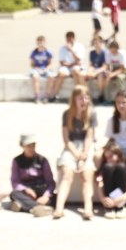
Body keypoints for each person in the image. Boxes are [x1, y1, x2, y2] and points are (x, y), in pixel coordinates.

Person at [55, 87, 97, 220]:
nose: (84, 101)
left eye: (86, 98)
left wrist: (83, 155)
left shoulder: (91, 114)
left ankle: (88, 208)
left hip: (87, 146)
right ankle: (59, 208)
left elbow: (89, 137)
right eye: (81, 98)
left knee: (87, 175)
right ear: (74, 99)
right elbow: (66, 139)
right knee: (67, 174)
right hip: (71, 146)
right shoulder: (67, 114)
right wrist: (76, 154)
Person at [9, 134, 56, 216]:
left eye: (33, 145)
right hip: (27, 192)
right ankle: (37, 207)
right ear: (22, 146)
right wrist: (26, 189)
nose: (31, 148)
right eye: (28, 146)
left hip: (41, 189)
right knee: (14, 194)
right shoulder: (17, 161)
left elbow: (50, 182)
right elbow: (15, 182)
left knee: (56, 197)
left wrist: (46, 196)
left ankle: (24, 206)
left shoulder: (42, 160)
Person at [95, 142, 126, 218]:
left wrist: (123, 198)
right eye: (106, 158)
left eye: (111, 156)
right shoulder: (105, 169)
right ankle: (109, 208)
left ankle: (122, 207)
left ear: (118, 155)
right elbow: (100, 185)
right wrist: (103, 200)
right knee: (108, 167)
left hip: (124, 198)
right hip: (110, 198)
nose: (109, 160)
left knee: (121, 167)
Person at [55, 31, 90, 100]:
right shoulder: (62, 48)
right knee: (61, 74)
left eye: (70, 39)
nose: (69, 41)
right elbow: (62, 62)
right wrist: (72, 64)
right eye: (67, 39)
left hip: (76, 67)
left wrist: (71, 50)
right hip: (67, 67)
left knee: (76, 71)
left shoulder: (79, 46)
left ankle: (81, 93)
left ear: (73, 38)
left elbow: (79, 59)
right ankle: (56, 95)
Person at [29, 35, 59, 103]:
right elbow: (32, 64)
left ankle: (47, 96)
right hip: (37, 69)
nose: (41, 44)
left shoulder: (48, 52)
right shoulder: (34, 52)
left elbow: (50, 63)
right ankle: (37, 96)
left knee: (51, 77)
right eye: (39, 42)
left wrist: (46, 69)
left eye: (42, 42)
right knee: (35, 76)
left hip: (45, 69)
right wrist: (36, 68)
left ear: (45, 42)